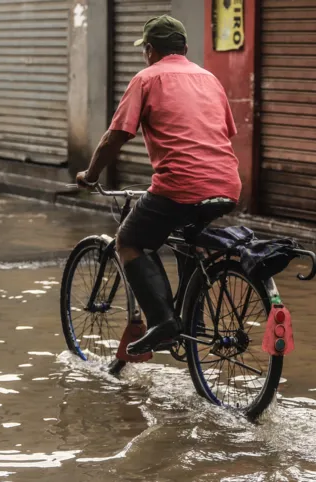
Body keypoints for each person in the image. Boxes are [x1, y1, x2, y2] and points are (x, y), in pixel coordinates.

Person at [76, 15, 241, 356]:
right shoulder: (210, 78)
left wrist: (90, 176)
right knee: (188, 240)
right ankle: (193, 324)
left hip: (179, 185)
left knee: (128, 240)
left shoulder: (147, 77)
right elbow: (225, 132)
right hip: (227, 185)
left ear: (149, 50)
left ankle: (163, 322)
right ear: (185, 48)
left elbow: (117, 135)